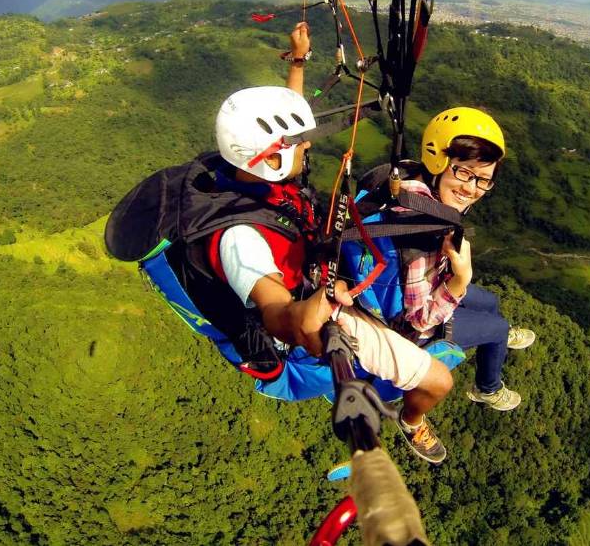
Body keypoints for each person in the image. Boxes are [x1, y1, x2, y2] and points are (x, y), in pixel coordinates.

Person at [209, 23, 453, 463]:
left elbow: (285, 135)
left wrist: (298, 62)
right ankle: (410, 421)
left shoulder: (259, 179)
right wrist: (313, 310)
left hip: (315, 273)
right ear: (275, 156)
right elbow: (278, 314)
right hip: (308, 311)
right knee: (438, 382)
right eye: (297, 144)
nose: (305, 148)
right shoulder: (240, 239)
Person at [381, 107, 536, 410]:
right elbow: (420, 320)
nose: (471, 188)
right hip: (410, 328)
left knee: (490, 302)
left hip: (428, 281)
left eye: (483, 180)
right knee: (498, 328)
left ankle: (499, 336)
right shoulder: (421, 230)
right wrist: (460, 280)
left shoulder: (412, 182)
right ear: (438, 161)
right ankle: (487, 389)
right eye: (463, 172)